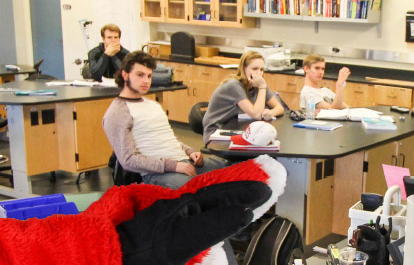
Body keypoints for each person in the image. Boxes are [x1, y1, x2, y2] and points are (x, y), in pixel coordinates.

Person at [105, 51, 228, 189]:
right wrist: (173, 165)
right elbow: (128, 160)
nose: (146, 81)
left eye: (149, 76)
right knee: (199, 191)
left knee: (236, 171)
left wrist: (190, 152)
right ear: (125, 75)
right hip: (158, 173)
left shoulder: (153, 104)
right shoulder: (117, 112)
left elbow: (167, 138)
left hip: (184, 161)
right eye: (140, 75)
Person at [202, 51, 291, 136]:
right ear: (243, 69)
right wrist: (262, 87)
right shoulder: (234, 86)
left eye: (261, 69)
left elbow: (280, 108)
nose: (259, 73)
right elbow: (256, 115)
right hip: (217, 131)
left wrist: (271, 113)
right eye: (255, 69)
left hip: (238, 127)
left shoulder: (259, 85)